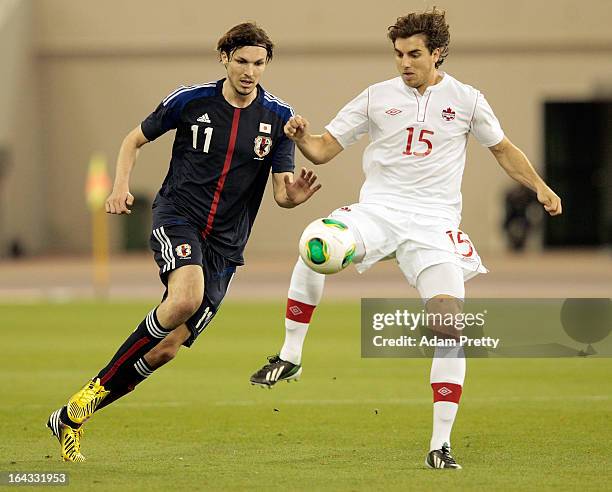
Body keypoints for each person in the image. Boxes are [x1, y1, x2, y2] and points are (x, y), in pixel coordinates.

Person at [250, 8, 562, 469]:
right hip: (378, 212)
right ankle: (291, 354)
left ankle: (440, 445)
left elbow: (503, 149)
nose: (404, 63)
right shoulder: (376, 98)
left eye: (414, 54)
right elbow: (322, 149)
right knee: (315, 244)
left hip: (434, 226)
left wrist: (539, 186)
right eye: (398, 54)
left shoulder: (468, 100)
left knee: (448, 326)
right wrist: (300, 136)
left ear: (438, 54)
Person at [46, 22, 321, 462]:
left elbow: (282, 193)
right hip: (179, 217)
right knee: (184, 298)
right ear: (224, 59)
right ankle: (88, 394)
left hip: (226, 247)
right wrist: (120, 187)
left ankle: (73, 415)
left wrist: (295, 197)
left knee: (167, 349)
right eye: (242, 61)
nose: (250, 71)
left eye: (259, 63)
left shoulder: (278, 118)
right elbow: (132, 140)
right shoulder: (191, 100)